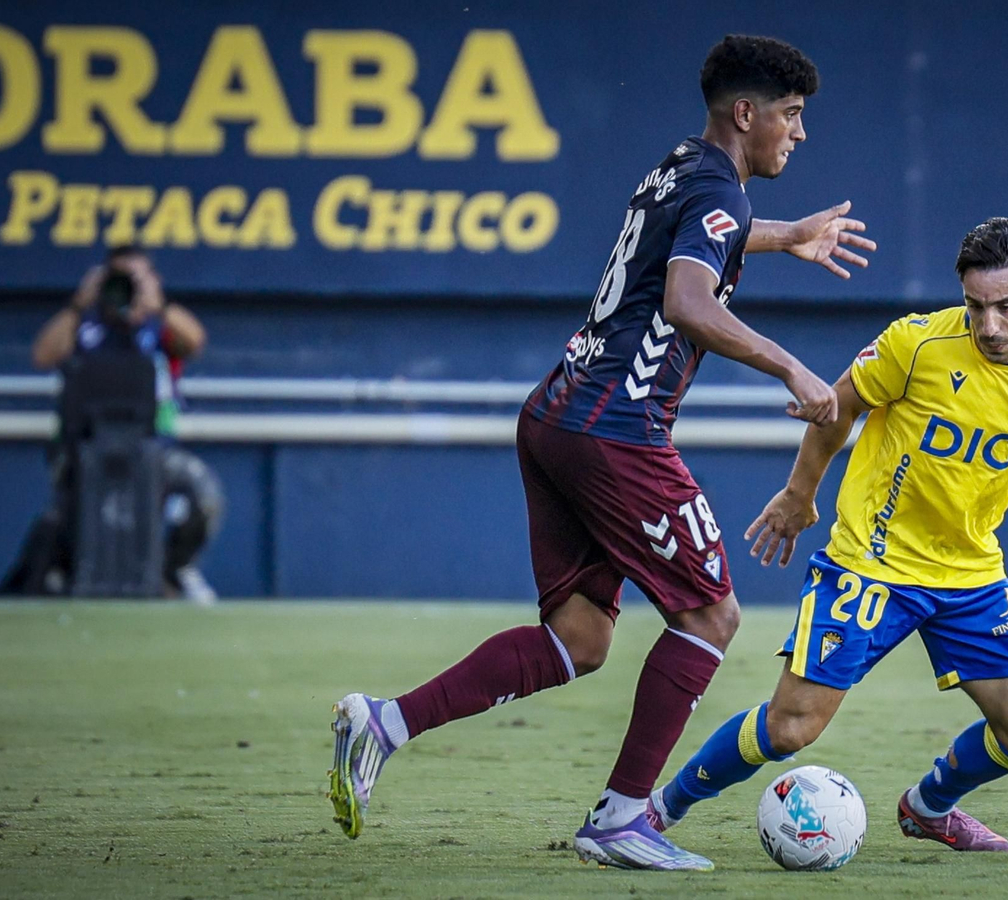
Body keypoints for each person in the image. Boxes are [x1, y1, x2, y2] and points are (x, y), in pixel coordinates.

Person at [327, 34, 877, 870]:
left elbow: (701, 238)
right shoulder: (716, 188)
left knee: (579, 638)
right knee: (712, 616)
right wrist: (790, 366)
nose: (798, 133)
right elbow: (688, 299)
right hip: (616, 429)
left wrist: (786, 234)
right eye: (791, 115)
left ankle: (384, 723)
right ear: (746, 112)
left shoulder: (680, 168)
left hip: (557, 413)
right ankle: (621, 819)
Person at [649, 217, 1008, 858]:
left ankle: (928, 807)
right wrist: (800, 493)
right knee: (791, 727)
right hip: (870, 561)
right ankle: (660, 810)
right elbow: (839, 406)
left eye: (1006, 306)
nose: (988, 325)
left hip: (969, 573)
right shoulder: (916, 344)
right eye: (975, 306)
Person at [3, 246, 222, 604]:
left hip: (153, 449)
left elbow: (195, 341)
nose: (127, 288)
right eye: (120, 279)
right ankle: (66, 572)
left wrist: (157, 306)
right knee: (72, 513)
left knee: (203, 495)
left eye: (136, 279)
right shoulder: (86, 326)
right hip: (85, 449)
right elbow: (43, 355)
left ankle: (173, 569)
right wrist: (79, 304)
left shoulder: (159, 328)